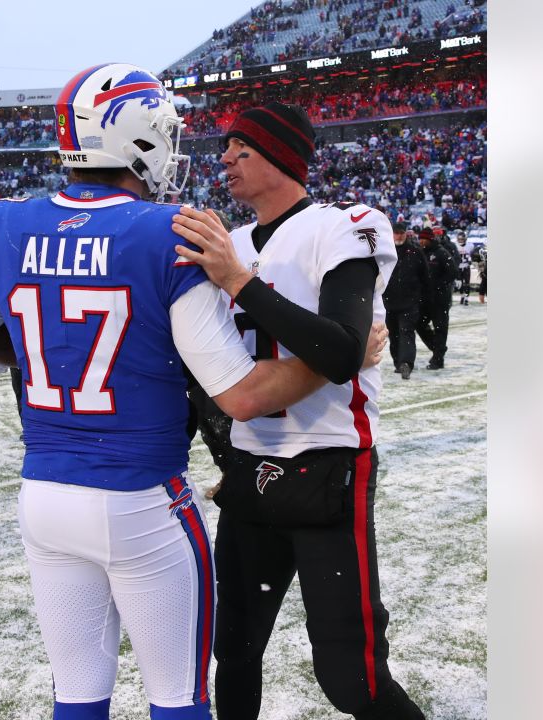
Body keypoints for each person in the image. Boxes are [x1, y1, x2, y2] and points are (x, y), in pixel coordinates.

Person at [0, 64, 353, 720]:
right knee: (178, 701)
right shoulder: (164, 231)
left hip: (44, 497)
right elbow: (240, 396)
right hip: (139, 502)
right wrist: (332, 360)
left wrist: (43, 351)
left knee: (79, 696)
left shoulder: (4, 223)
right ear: (139, 137)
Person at [171, 102, 426, 720]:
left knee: (351, 679)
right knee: (232, 653)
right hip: (251, 468)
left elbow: (340, 350)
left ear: (282, 157)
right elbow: (199, 374)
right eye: (226, 148)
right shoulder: (225, 244)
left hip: (328, 467)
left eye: (243, 149)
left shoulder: (342, 227)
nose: (224, 158)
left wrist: (239, 282)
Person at [381, 222, 430, 380]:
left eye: (401, 232)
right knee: (393, 334)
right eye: (396, 232)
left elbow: (425, 277)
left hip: (409, 302)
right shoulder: (385, 252)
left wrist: (422, 299)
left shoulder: (415, 252)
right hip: (389, 301)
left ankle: (406, 363)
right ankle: (398, 362)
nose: (399, 235)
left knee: (406, 333)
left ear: (406, 234)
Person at [414, 227, 453, 370]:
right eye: (420, 239)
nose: (421, 241)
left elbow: (452, 272)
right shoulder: (419, 252)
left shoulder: (441, 253)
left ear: (430, 239)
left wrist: (437, 285)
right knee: (419, 324)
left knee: (440, 328)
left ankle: (438, 359)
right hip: (424, 299)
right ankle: (438, 349)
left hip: (440, 299)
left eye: (423, 239)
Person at [455, 230, 473, 305]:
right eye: (459, 239)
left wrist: (470, 260)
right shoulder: (455, 245)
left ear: (465, 239)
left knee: (467, 283)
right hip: (459, 267)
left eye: (462, 239)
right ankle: (462, 296)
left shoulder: (470, 246)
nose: (460, 241)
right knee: (460, 283)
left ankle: (466, 298)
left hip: (466, 267)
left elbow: (472, 256)